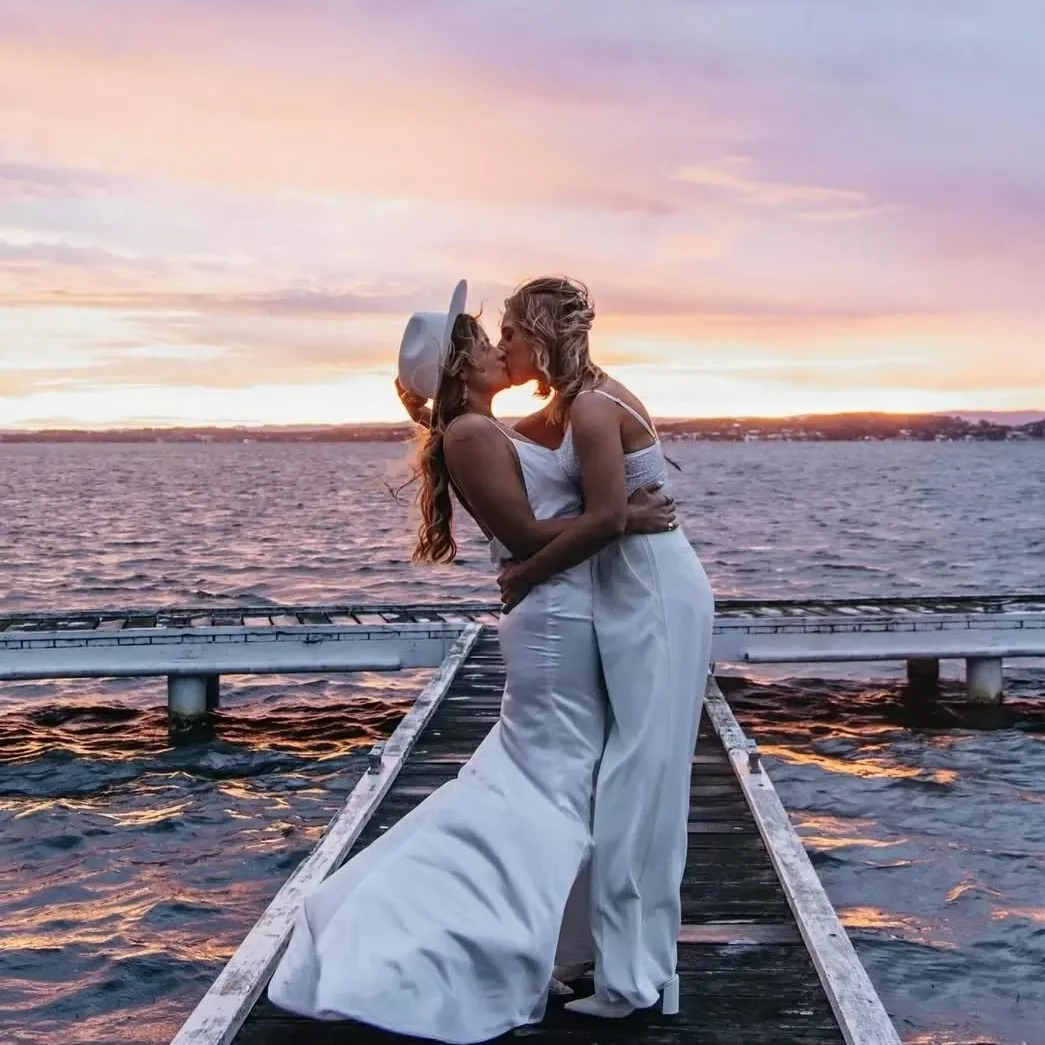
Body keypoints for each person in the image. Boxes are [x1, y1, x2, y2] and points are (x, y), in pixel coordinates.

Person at [267, 281, 676, 1043]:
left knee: (562, 776)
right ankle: (470, 936)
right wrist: (623, 521)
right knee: (548, 781)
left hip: (565, 607)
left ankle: (555, 940)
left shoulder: (483, 426)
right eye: (482, 342)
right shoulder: (470, 434)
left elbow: (562, 486)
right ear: (461, 368)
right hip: (554, 620)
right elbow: (525, 538)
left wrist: (608, 507)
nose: (496, 347)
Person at [495, 275, 715, 1020]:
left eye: (513, 334)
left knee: (639, 781)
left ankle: (632, 981)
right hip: (624, 592)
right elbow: (486, 443)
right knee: (628, 777)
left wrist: (523, 573)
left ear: (545, 334)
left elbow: (611, 517)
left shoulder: (591, 409)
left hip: (652, 595)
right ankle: (632, 965)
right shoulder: (564, 408)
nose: (505, 347)